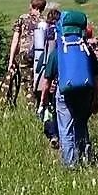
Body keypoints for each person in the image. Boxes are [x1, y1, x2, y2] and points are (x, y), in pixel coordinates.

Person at [40, 10, 98, 168]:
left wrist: (43, 100)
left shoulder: (59, 51)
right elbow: (97, 79)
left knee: (65, 129)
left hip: (64, 93)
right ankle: (85, 159)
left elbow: (47, 81)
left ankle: (70, 165)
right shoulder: (87, 51)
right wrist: (96, 99)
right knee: (81, 124)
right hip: (85, 92)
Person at [6, 0, 47, 107]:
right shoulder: (45, 22)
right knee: (39, 82)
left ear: (33, 6)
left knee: (27, 83)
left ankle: (31, 109)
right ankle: (41, 107)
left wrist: (11, 60)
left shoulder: (23, 18)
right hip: (41, 56)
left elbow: (15, 40)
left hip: (25, 55)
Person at [37, 8, 61, 148]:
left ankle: (53, 134)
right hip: (60, 77)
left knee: (49, 108)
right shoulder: (62, 35)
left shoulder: (46, 33)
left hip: (47, 73)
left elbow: (41, 56)